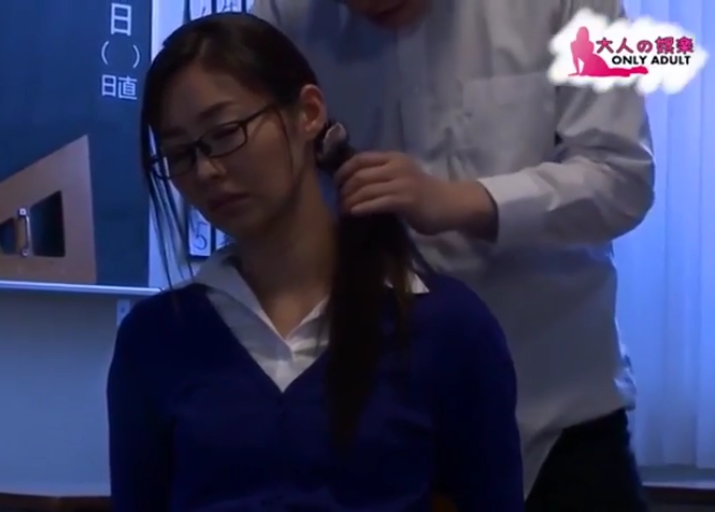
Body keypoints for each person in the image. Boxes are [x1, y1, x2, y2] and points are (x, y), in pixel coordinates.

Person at [107, 12, 523, 512]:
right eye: (180, 154)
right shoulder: (156, 339)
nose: (206, 170)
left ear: (308, 113)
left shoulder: (445, 326)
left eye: (225, 132)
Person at [251, 0, 655, 510]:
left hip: (559, 408)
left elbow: (623, 177)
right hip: (374, 413)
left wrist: (460, 201)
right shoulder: (283, 13)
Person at [570, 26, 649, 77]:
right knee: (611, 72)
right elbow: (575, 59)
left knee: (611, 72)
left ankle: (635, 70)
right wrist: (578, 71)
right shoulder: (573, 44)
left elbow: (588, 59)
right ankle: (635, 70)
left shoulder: (590, 44)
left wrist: (583, 72)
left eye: (584, 34)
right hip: (591, 65)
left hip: (596, 62)